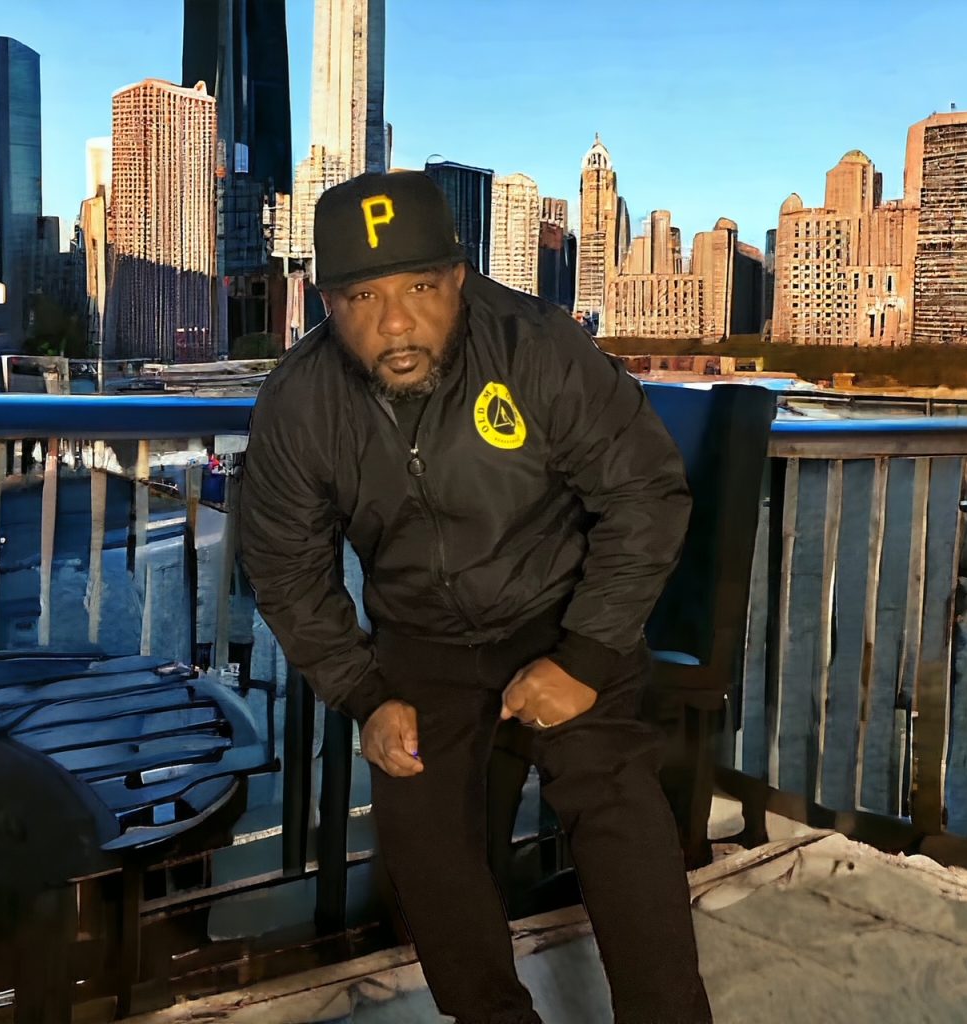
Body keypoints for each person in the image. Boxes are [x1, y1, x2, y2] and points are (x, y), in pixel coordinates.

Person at [238, 171, 712, 1024]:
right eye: (361, 295)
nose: (394, 322)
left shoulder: (535, 345)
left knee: (610, 792)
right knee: (418, 820)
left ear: (458, 278)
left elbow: (643, 491)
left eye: (420, 286)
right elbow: (286, 567)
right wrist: (363, 695)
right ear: (325, 302)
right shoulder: (299, 404)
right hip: (422, 640)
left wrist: (586, 658)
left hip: (557, 607)